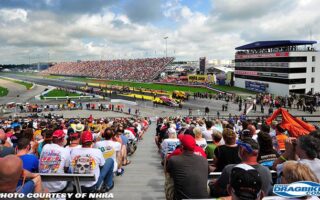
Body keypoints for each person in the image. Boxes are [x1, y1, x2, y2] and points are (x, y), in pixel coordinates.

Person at [166, 134, 209, 199]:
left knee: (169, 178)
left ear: (182, 146)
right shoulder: (204, 160)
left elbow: (169, 173)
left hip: (181, 198)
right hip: (203, 198)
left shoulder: (173, 159)